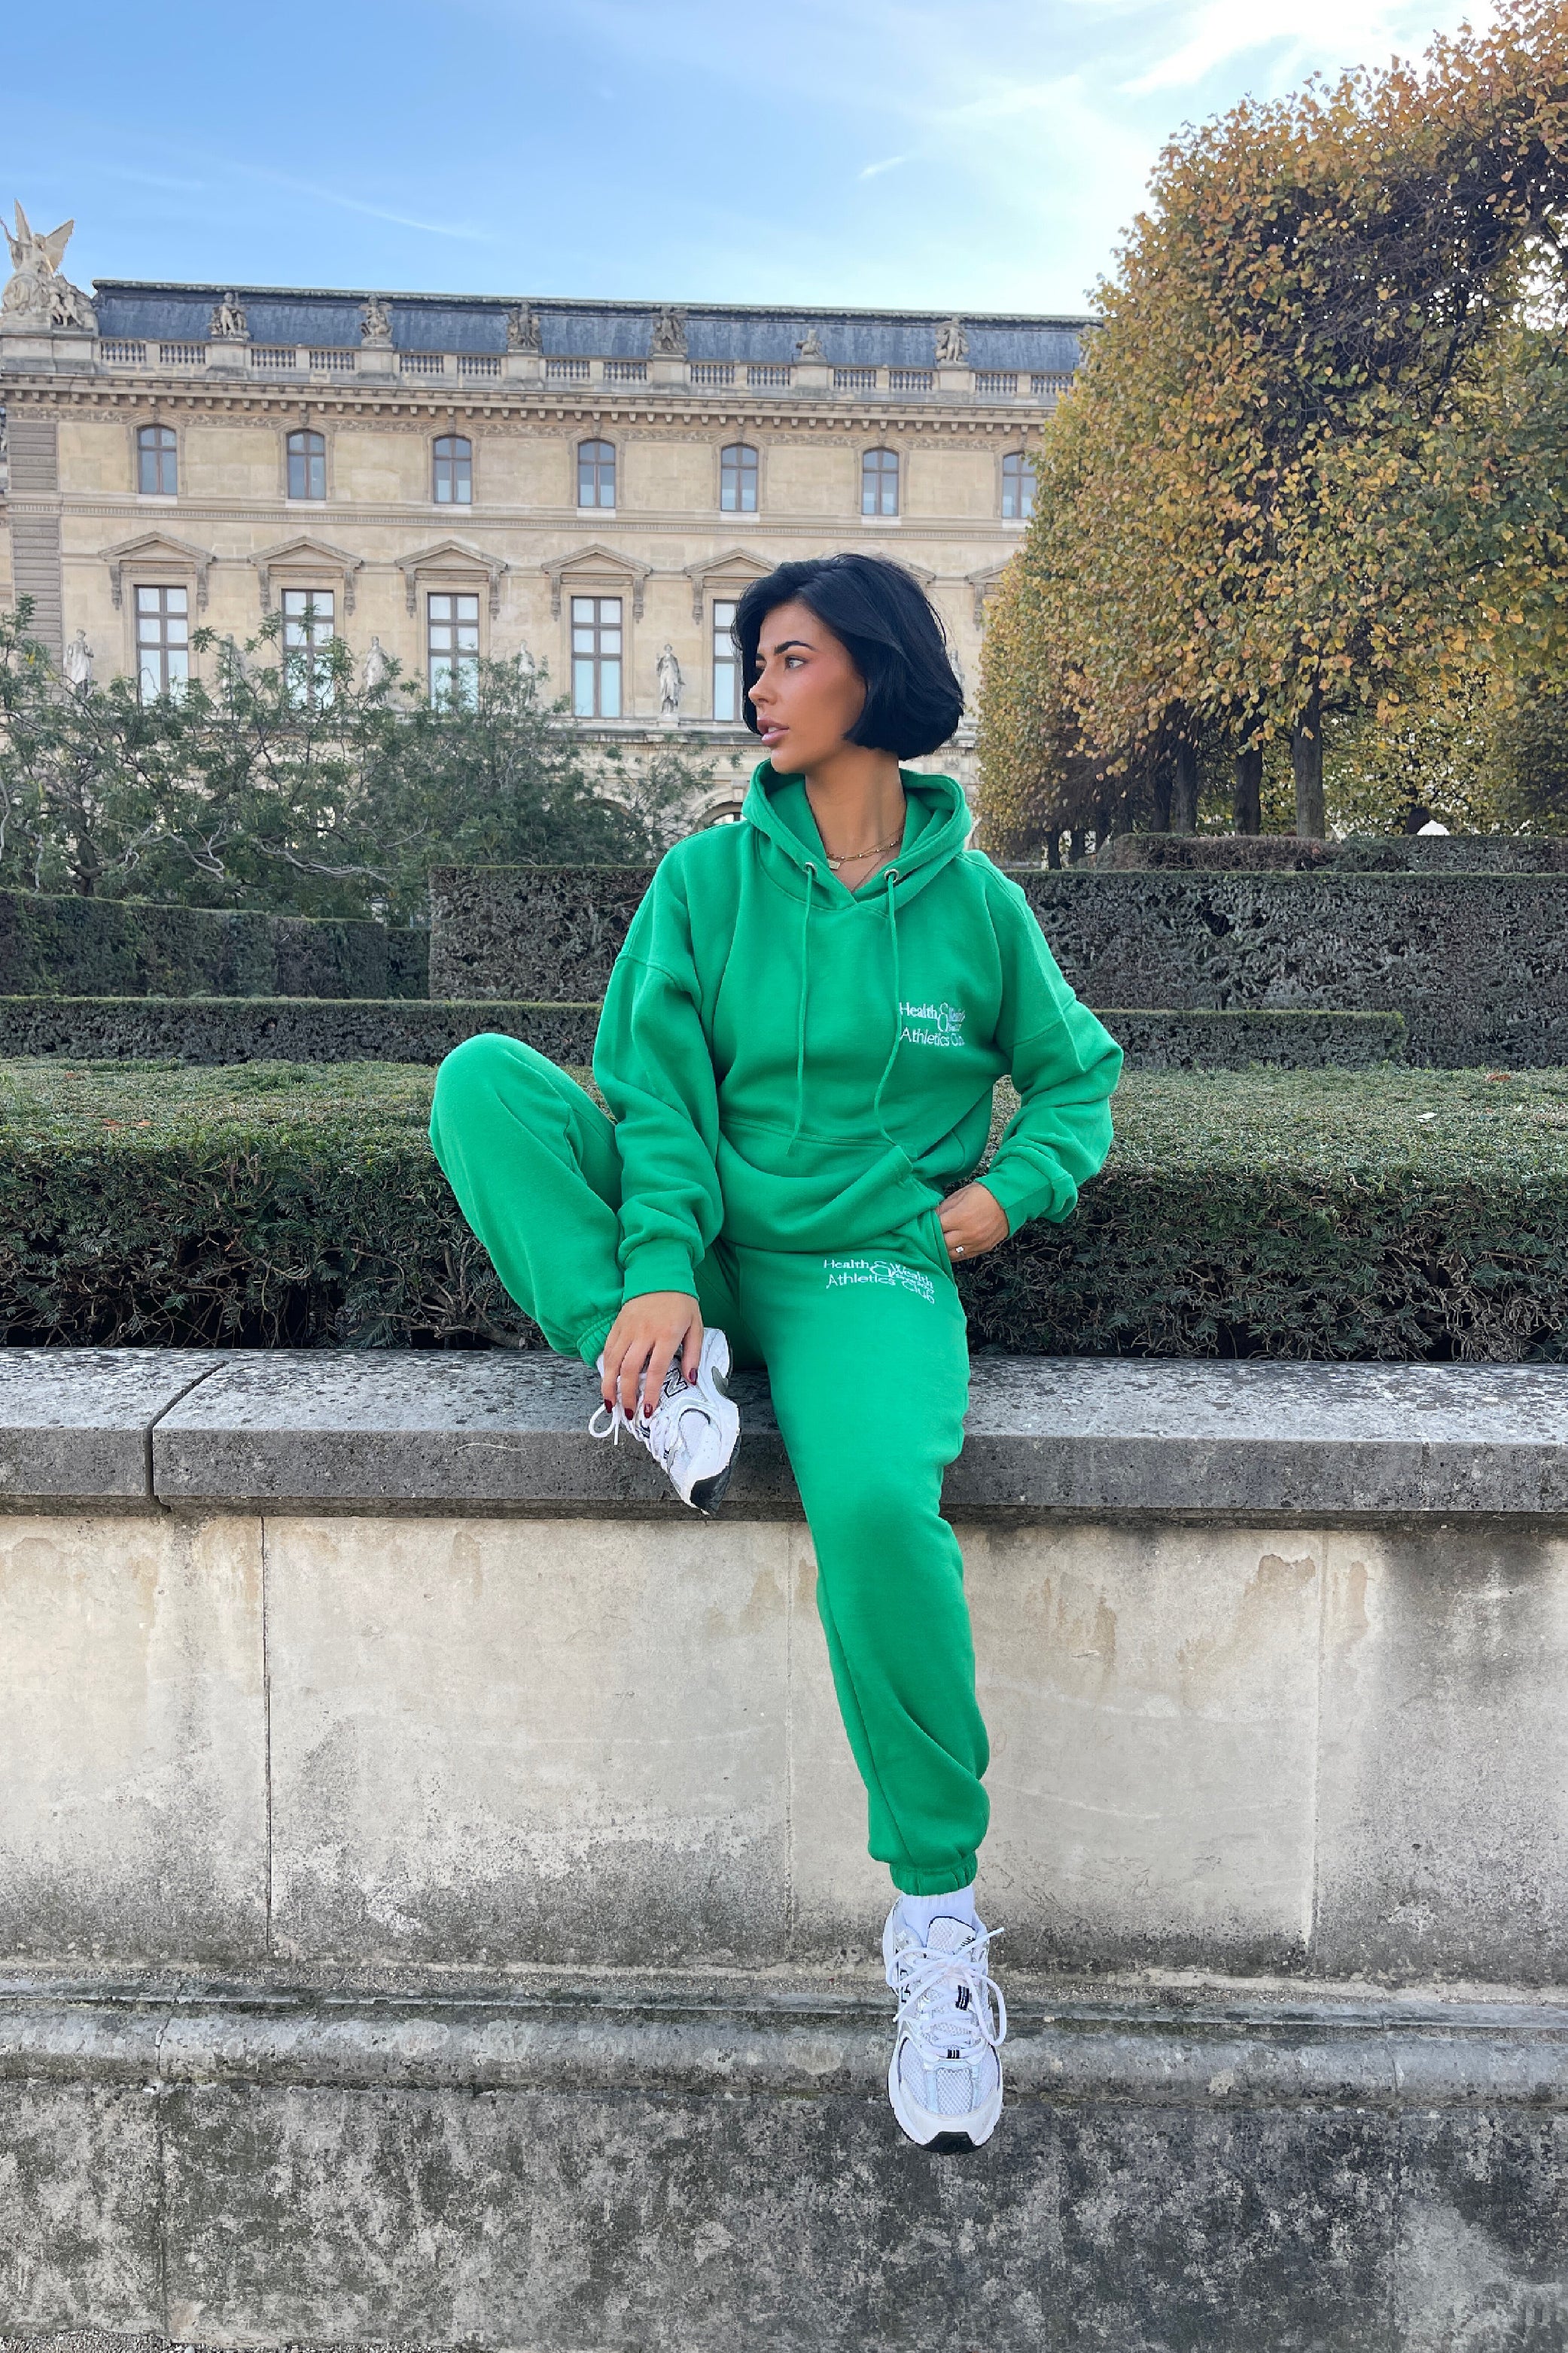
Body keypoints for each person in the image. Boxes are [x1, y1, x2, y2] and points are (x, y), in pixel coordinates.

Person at [428, 553, 1122, 2152]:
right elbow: (651, 1093)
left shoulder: (978, 906)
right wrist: (657, 1271)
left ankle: (936, 1927)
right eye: (757, 661)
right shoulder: (705, 881)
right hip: (707, 1242)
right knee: (483, 1085)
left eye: (789, 657)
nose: (758, 688)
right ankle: (669, 1385)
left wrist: (1003, 1194)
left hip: (867, 1268)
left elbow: (1078, 1079)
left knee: (874, 1507)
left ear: (871, 671)